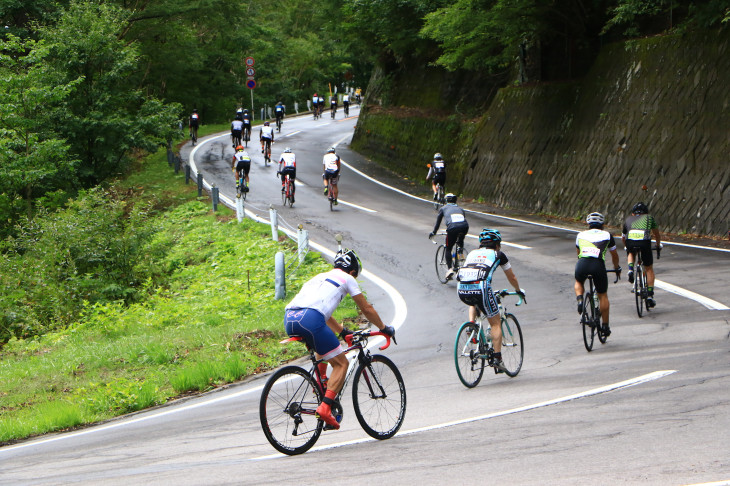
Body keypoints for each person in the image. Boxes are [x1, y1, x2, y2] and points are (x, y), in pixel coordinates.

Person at [284, 249, 395, 429]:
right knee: (341, 363)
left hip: (290, 318)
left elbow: (323, 313)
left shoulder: (320, 277)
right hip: (311, 319)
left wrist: (342, 332)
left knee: (321, 345)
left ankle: (320, 384)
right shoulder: (347, 278)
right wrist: (384, 328)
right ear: (352, 272)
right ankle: (326, 408)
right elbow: (366, 309)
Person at [456, 229, 525, 373]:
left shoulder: (473, 253)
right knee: (495, 323)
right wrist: (518, 290)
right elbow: (512, 277)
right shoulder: (498, 254)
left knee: (474, 302)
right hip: (481, 287)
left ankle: (472, 326)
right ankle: (497, 358)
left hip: (462, 288)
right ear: (497, 245)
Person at [574, 212, 621, 337]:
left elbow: (578, 253)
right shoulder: (607, 235)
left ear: (588, 224)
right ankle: (605, 326)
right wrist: (616, 268)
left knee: (579, 282)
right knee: (602, 295)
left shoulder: (580, 235)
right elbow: (614, 255)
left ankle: (579, 300)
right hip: (598, 265)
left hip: (582, 264)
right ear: (602, 224)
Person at [622, 202, 662, 308]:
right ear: (646, 213)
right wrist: (658, 245)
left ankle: (630, 270)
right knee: (649, 269)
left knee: (631, 252)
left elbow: (623, 237)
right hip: (644, 243)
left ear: (633, 213)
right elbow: (657, 234)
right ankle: (649, 295)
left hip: (631, 242)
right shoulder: (649, 218)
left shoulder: (628, 220)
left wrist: (627, 246)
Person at [429, 193, 469, 280]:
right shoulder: (460, 209)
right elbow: (461, 221)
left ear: (446, 200)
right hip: (465, 227)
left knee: (448, 248)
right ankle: (461, 254)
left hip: (452, 228)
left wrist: (434, 232)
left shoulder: (443, 208)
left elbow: (438, 222)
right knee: (460, 239)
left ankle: (450, 269)